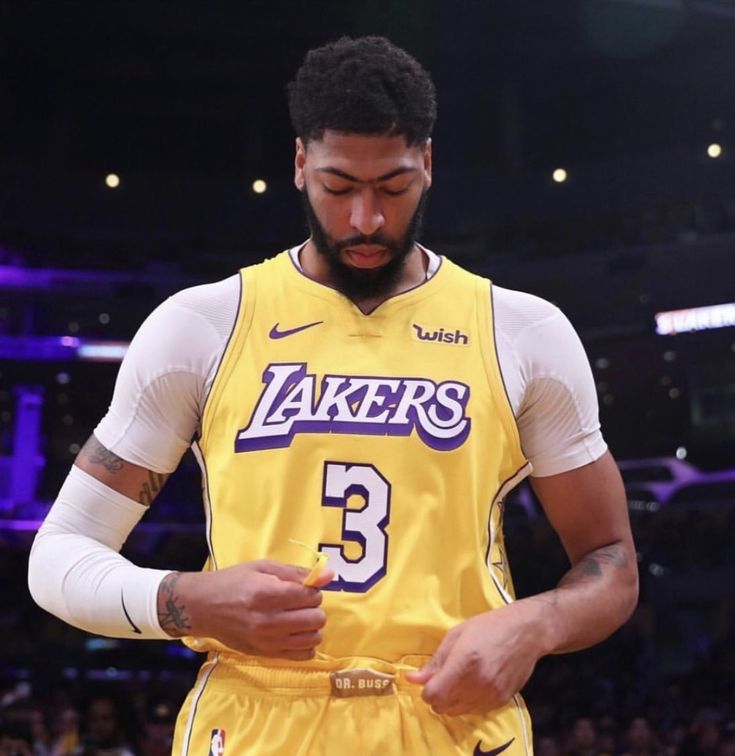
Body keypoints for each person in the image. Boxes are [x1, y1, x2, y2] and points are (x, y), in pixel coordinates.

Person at [28, 35, 638, 755]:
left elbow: (609, 560)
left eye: (394, 187)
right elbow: (59, 556)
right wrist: (186, 600)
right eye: (338, 186)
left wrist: (532, 626)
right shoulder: (202, 325)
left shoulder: (523, 331)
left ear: (429, 166)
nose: (365, 221)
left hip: (450, 718)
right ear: (298, 165)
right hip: (256, 716)